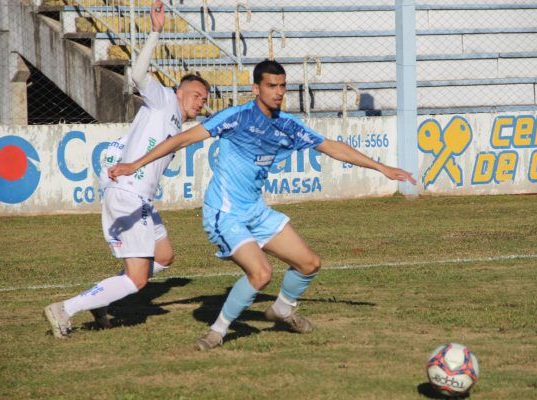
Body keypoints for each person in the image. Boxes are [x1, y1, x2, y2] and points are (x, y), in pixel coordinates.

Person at [108, 59, 417, 350]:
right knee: (261, 274)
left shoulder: (288, 125)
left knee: (309, 263)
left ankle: (282, 309)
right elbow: (182, 140)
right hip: (224, 212)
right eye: (271, 86)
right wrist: (136, 163)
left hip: (255, 211)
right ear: (256, 88)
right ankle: (217, 331)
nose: (279, 92)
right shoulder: (236, 117)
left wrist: (383, 168)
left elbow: (332, 147)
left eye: (282, 86)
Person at [43, 0, 210, 339]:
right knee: (137, 279)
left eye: (204, 100)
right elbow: (136, 75)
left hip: (142, 199)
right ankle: (65, 309)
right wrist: (155, 31)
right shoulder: (164, 99)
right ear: (180, 91)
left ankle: (102, 296)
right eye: (197, 95)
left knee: (165, 255)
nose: (200, 102)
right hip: (128, 195)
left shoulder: (177, 119)